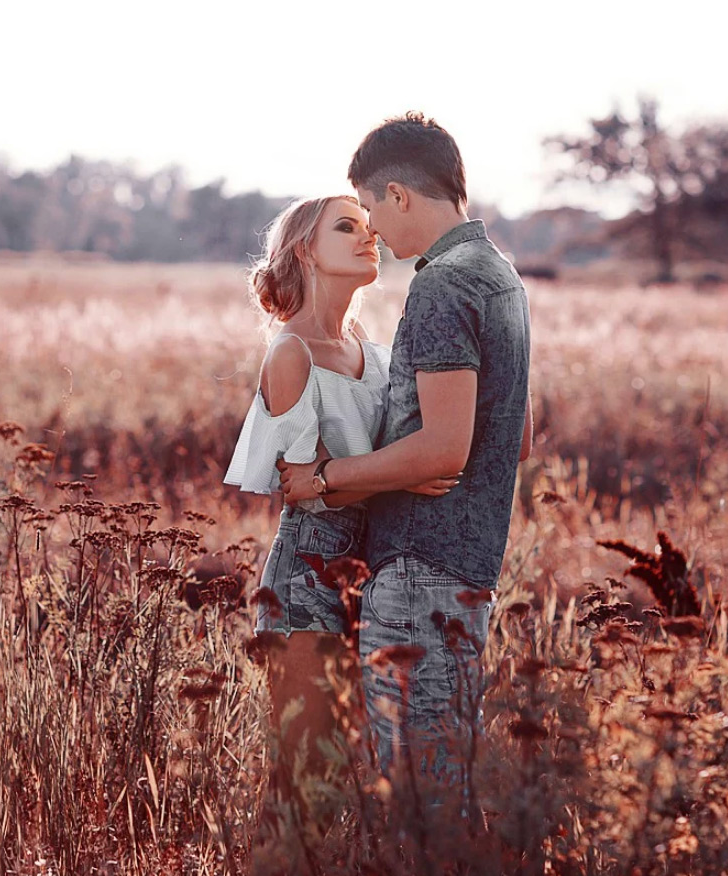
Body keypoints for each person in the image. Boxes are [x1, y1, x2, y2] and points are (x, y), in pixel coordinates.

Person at [279, 113, 533, 788]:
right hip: (467, 560)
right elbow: (517, 434)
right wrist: (414, 453)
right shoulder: (500, 277)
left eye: (368, 209)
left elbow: (444, 450)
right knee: (442, 773)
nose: (373, 231)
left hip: (421, 569)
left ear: (399, 196)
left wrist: (327, 477)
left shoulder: (441, 283)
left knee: (420, 792)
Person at [223, 195, 458, 838]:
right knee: (304, 780)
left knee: (358, 775)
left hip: (373, 577)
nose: (369, 237)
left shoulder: (372, 353)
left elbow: (356, 469)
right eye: (347, 228)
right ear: (305, 250)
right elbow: (299, 488)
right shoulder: (291, 352)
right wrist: (408, 472)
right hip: (306, 577)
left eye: (370, 226)